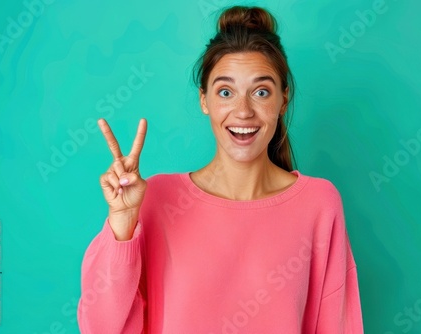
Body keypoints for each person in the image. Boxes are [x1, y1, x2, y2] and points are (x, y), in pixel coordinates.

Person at [77, 5, 363, 334]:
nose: (243, 111)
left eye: (261, 92)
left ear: (283, 100)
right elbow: (100, 327)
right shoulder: (157, 199)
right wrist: (122, 225)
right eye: (225, 92)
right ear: (204, 100)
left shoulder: (319, 203)